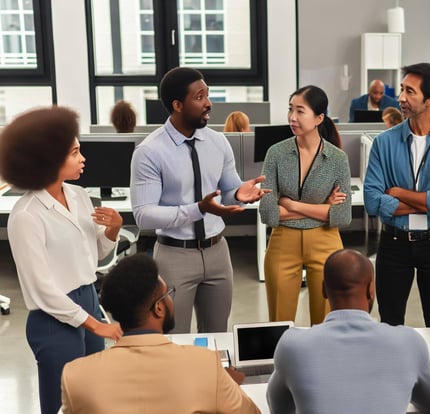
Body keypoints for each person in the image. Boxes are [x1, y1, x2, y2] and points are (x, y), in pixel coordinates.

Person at [0, 106, 124, 414]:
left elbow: (94, 257)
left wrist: (114, 229)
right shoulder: (26, 216)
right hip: (53, 319)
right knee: (60, 406)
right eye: (74, 153)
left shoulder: (81, 196)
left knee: (91, 400)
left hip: (88, 300)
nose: (83, 159)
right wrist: (96, 326)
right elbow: (42, 291)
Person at [130, 67, 269, 334]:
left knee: (218, 336)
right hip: (174, 255)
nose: (208, 103)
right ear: (178, 105)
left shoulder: (218, 142)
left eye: (208, 95)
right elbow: (144, 215)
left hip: (218, 253)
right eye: (199, 97)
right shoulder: (150, 152)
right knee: (174, 338)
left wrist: (239, 193)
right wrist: (197, 210)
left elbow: (227, 190)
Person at [60, 254, 261, 414]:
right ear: (158, 308)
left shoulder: (76, 375)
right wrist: (223, 386)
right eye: (168, 293)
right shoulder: (206, 364)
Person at [266, 249, 430, 413]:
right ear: (371, 289)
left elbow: (278, 409)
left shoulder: (292, 345)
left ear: (323, 289)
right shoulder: (409, 342)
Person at [363, 62, 430, 327]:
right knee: (390, 323)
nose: (401, 98)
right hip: (393, 243)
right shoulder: (384, 143)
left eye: (410, 91)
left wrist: (397, 193)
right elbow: (373, 201)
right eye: (401, 90)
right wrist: (429, 197)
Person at [260, 85, 351, 325]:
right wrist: (323, 210)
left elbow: (342, 216)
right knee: (279, 322)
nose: (292, 117)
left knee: (325, 322)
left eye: (300, 111)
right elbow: (268, 212)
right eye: (290, 109)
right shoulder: (276, 153)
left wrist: (289, 204)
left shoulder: (337, 158)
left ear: (319, 118)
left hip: (326, 242)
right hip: (283, 241)